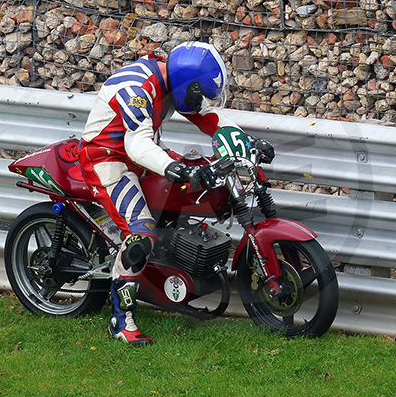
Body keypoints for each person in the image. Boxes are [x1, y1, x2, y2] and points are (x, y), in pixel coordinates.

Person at [78, 41, 274, 345]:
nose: (202, 100)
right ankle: (121, 320)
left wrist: (247, 142)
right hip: (107, 158)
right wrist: (176, 168)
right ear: (189, 85)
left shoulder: (174, 82)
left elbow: (210, 117)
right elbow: (136, 144)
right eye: (200, 93)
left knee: (186, 193)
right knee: (141, 234)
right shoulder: (138, 88)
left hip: (142, 153)